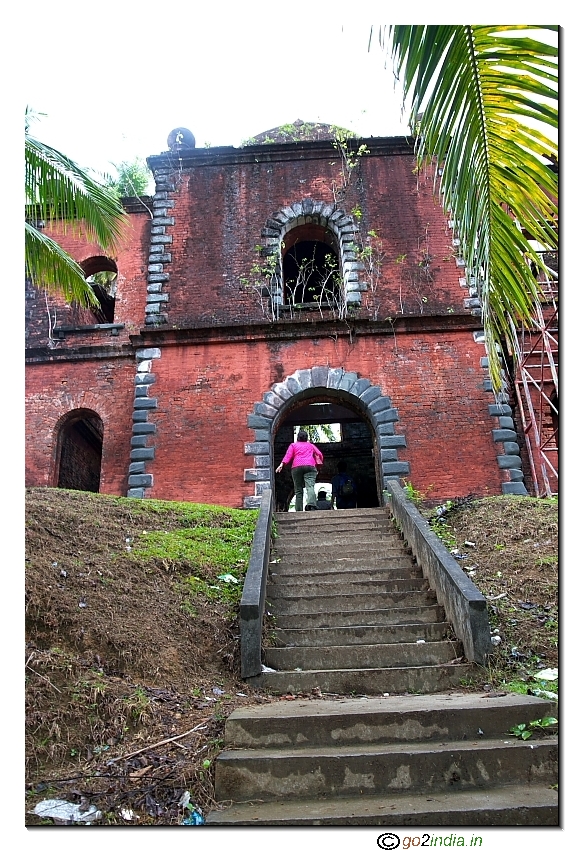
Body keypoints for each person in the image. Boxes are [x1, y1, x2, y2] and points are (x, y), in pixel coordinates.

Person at [276, 430, 323, 512]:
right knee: (310, 487)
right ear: (306, 438)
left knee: (298, 490)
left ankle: (299, 510)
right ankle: (311, 505)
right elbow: (319, 454)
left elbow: (288, 455)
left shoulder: (293, 445)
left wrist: (282, 465)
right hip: (310, 466)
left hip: (296, 467)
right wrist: (318, 465)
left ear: (298, 437)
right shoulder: (310, 445)